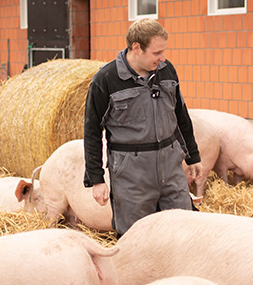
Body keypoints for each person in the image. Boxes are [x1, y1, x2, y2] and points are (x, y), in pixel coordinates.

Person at [83, 19, 201, 237]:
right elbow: (91, 132)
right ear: (136, 48)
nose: (162, 58)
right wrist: (96, 179)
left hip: (171, 169)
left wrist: (193, 155)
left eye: (163, 51)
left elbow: (180, 115)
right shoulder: (106, 79)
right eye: (157, 52)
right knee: (135, 237)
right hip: (131, 175)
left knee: (183, 232)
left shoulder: (167, 70)